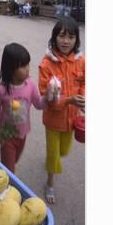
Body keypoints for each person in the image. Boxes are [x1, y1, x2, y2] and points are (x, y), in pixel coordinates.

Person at [38, 17, 85, 204]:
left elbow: (84, 82)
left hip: (72, 118)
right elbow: (45, 95)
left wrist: (82, 97)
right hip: (53, 120)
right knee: (53, 154)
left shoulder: (81, 61)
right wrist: (69, 100)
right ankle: (49, 183)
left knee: (64, 150)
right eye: (62, 36)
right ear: (54, 37)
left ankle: (52, 160)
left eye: (71, 37)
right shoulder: (46, 64)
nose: (66, 41)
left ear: (76, 40)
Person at [0, 43, 47, 174]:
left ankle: (4, 170)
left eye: (27, 64)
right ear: (10, 69)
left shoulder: (31, 85)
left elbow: (39, 104)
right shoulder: (1, 90)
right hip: (7, 135)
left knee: (13, 161)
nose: (28, 69)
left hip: (23, 134)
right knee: (10, 170)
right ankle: (6, 183)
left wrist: (49, 97)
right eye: (23, 66)